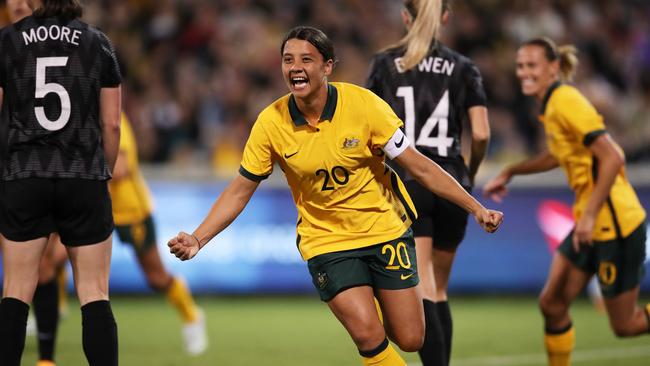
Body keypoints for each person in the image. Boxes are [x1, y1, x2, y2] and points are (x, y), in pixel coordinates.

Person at [168, 25, 503, 366]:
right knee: (368, 336)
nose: (295, 67)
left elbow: (419, 166)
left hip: (384, 230)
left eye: (306, 59)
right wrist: (198, 238)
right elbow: (241, 188)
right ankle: (361, 299)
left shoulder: (364, 106)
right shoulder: (271, 123)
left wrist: (475, 208)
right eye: (287, 60)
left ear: (327, 66)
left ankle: (371, 293)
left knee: (411, 337)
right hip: (327, 242)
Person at [483, 37, 649, 366]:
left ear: (553, 68)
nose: (523, 73)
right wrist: (514, 169)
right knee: (553, 304)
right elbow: (559, 155)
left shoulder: (566, 101)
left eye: (532, 66)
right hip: (590, 222)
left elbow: (613, 157)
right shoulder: (550, 105)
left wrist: (587, 217)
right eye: (520, 66)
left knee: (625, 326)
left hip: (614, 224)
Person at [366, 1, 489, 365]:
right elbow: (480, 134)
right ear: (446, 17)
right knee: (440, 289)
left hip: (409, 182)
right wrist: (469, 174)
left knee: (424, 288)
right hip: (452, 180)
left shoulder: (385, 64)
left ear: (405, 17)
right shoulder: (465, 67)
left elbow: (365, 121)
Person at [0, 0, 121, 365]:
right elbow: (112, 124)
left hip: (25, 174)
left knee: (16, 291)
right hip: (83, 174)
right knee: (94, 292)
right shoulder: (97, 43)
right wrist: (105, 173)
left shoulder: (7, 40)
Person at [108, 111, 207, 355]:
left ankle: (192, 317)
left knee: (156, 278)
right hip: (94, 208)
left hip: (130, 211)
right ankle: (52, 313)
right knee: (55, 256)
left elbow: (120, 169)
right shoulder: (76, 115)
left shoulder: (114, 117)